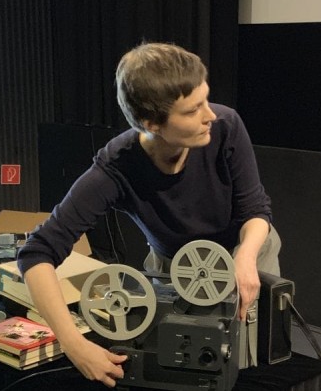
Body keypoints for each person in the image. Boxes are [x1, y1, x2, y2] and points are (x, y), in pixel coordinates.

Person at [17, 42, 281, 388]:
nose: (209, 115)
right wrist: (73, 344)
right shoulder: (115, 169)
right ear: (151, 123)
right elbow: (37, 253)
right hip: (174, 267)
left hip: (246, 251)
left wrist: (245, 258)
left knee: (245, 366)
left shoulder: (227, 125)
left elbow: (255, 210)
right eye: (192, 110)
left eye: (206, 99)